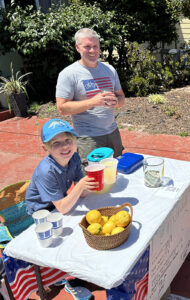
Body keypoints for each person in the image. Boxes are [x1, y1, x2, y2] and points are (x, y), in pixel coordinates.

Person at [56, 28, 125, 171]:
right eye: (87, 47)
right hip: (88, 138)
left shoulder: (109, 69)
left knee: (116, 174)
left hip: (113, 133)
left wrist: (116, 102)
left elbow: (121, 97)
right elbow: (62, 108)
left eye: (95, 46)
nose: (92, 50)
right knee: (92, 182)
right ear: (77, 48)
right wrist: (93, 102)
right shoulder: (69, 74)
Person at [25, 118, 98, 215]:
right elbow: (63, 209)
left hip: (60, 201)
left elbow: (83, 193)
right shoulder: (46, 172)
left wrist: (98, 179)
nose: (65, 146)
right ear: (45, 148)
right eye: (56, 143)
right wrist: (80, 186)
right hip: (41, 211)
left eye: (68, 140)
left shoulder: (74, 158)